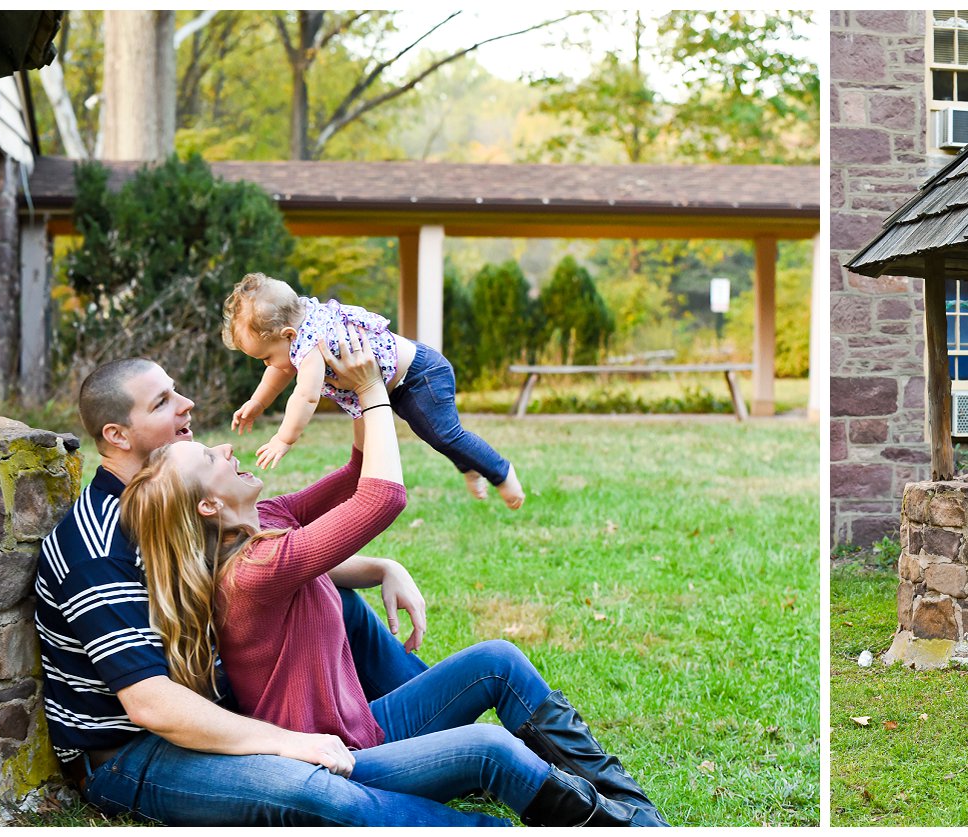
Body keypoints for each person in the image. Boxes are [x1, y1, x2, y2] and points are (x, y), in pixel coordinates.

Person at [122, 323, 665, 827]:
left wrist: (353, 382)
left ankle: (634, 809)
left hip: (363, 726)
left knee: (497, 659)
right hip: (340, 761)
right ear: (209, 507)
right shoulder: (253, 571)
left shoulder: (267, 521)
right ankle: (617, 830)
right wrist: (376, 392)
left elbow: (357, 473)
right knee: (489, 748)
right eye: (210, 460)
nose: (224, 447)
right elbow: (382, 497)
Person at [34, 355, 508, 826]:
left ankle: (430, 742)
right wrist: (288, 744)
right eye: (162, 402)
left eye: (176, 390)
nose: (187, 404)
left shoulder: (176, 500)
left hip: (225, 710)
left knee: (335, 599)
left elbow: (260, 565)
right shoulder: (97, 548)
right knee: (319, 791)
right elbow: (152, 705)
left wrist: (379, 566)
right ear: (116, 435)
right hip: (134, 752)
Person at [221, 272, 525, 509]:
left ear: (288, 335)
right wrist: (258, 402)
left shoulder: (310, 342)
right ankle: (469, 465)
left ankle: (501, 472)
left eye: (265, 356)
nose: (267, 365)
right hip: (393, 386)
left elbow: (306, 395)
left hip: (421, 375)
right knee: (429, 436)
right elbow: (279, 369)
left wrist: (283, 438)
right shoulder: (299, 327)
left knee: (445, 434)